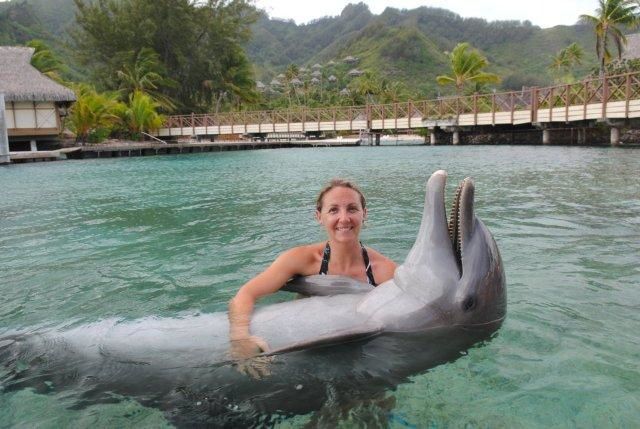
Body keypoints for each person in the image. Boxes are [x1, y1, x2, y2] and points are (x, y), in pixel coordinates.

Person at [228, 179, 397, 360]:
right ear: (319, 216)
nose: (344, 218)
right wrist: (240, 337)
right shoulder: (301, 259)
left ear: (364, 213)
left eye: (352, 209)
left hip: (361, 350)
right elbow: (246, 293)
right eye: (333, 210)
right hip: (305, 344)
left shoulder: (385, 271)